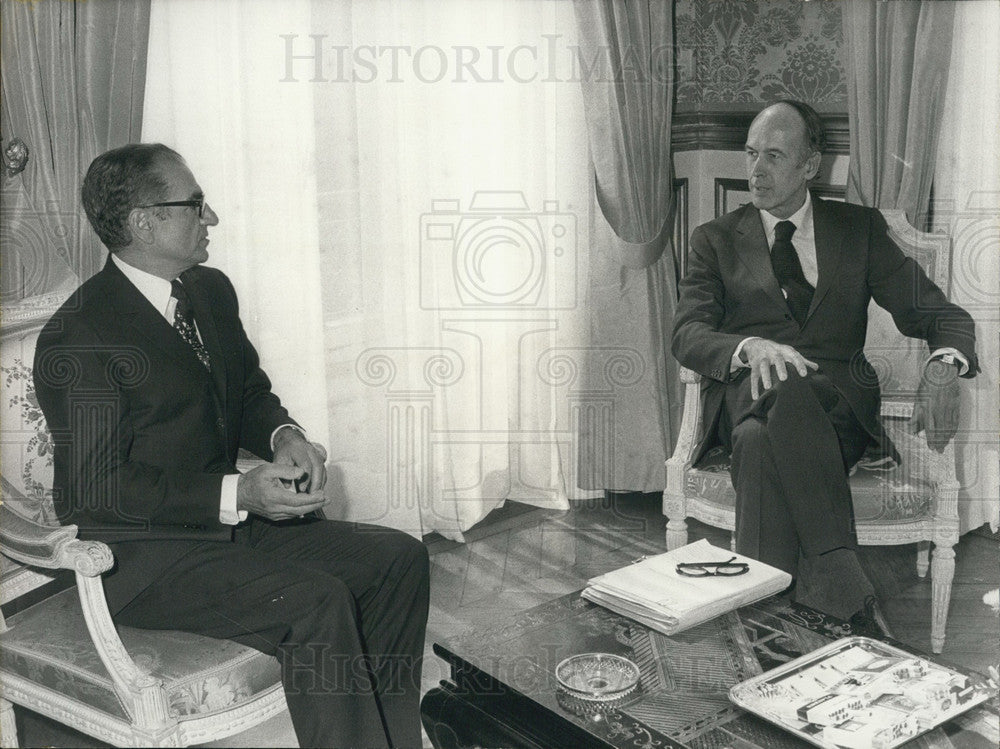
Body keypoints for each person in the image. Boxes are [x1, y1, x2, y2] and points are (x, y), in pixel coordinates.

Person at [33, 143, 429, 748]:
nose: (210, 218)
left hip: (230, 527)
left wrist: (284, 435)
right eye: (194, 205)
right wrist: (239, 489)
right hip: (143, 559)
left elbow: (245, 393)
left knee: (397, 559)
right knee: (315, 602)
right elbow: (93, 491)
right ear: (144, 223)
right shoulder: (79, 335)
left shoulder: (209, 291)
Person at [671, 100, 979, 634]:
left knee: (757, 443)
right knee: (769, 406)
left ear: (811, 166)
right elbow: (687, 334)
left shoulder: (857, 230)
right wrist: (750, 347)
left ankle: (764, 632)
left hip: (839, 416)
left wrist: (944, 365)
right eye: (750, 154)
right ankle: (840, 583)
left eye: (773, 156)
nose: (755, 170)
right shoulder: (715, 239)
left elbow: (937, 313)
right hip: (750, 392)